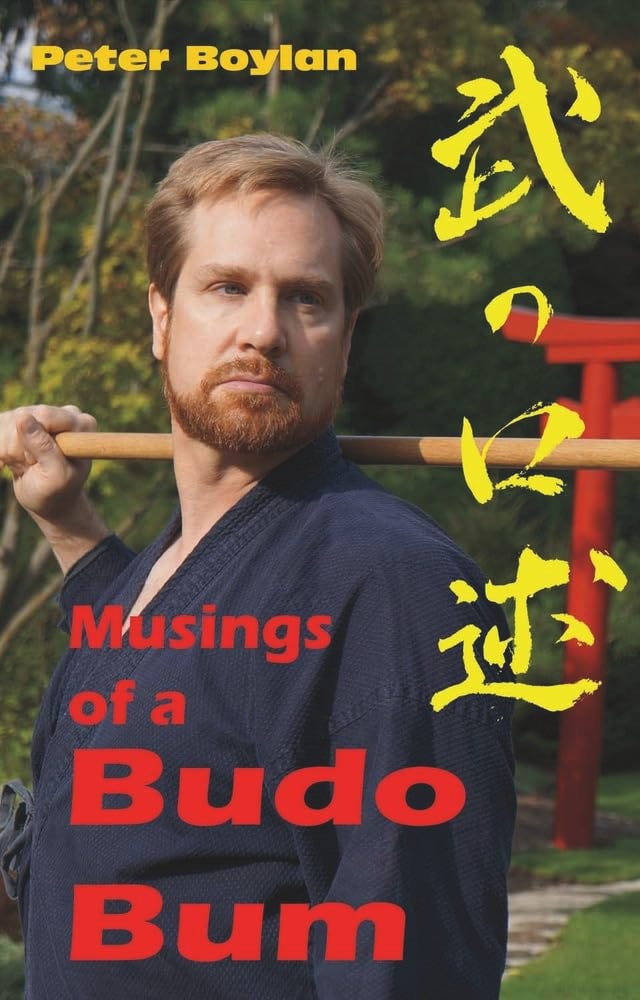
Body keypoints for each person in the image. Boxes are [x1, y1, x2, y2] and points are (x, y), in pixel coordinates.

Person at [0, 134, 515, 999]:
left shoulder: (390, 589)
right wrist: (69, 527)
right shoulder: (159, 574)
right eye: (227, 287)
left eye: (306, 300)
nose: (262, 332)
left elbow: (410, 963)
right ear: (163, 319)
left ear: (344, 342)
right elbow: (144, 832)